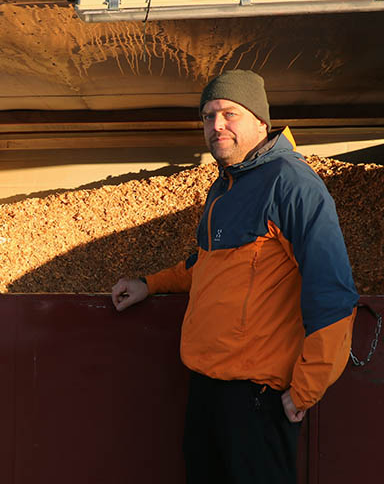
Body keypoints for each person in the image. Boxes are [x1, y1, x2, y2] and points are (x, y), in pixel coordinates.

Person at [111, 70, 358, 483]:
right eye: (208, 116)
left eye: (229, 113)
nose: (216, 125)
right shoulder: (224, 188)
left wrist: (305, 390)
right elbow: (204, 264)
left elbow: (332, 290)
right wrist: (149, 284)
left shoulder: (291, 183)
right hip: (207, 390)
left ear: (261, 121)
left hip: (256, 401)